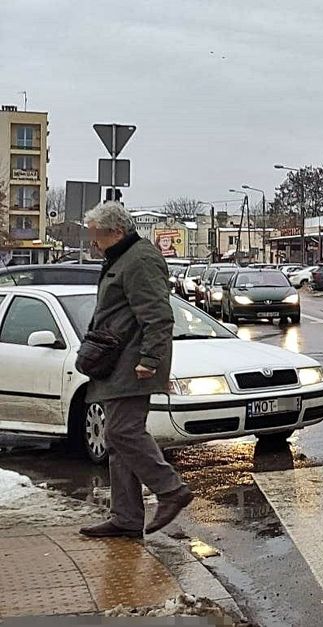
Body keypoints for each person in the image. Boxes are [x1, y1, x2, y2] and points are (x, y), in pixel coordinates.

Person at [79, 201, 193, 539]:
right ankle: (126, 517)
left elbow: (158, 316)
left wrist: (150, 360)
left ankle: (171, 490)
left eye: (96, 237)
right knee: (118, 441)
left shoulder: (140, 259)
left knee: (121, 433)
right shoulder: (122, 257)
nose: (93, 244)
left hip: (134, 363)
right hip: (117, 362)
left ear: (116, 232)